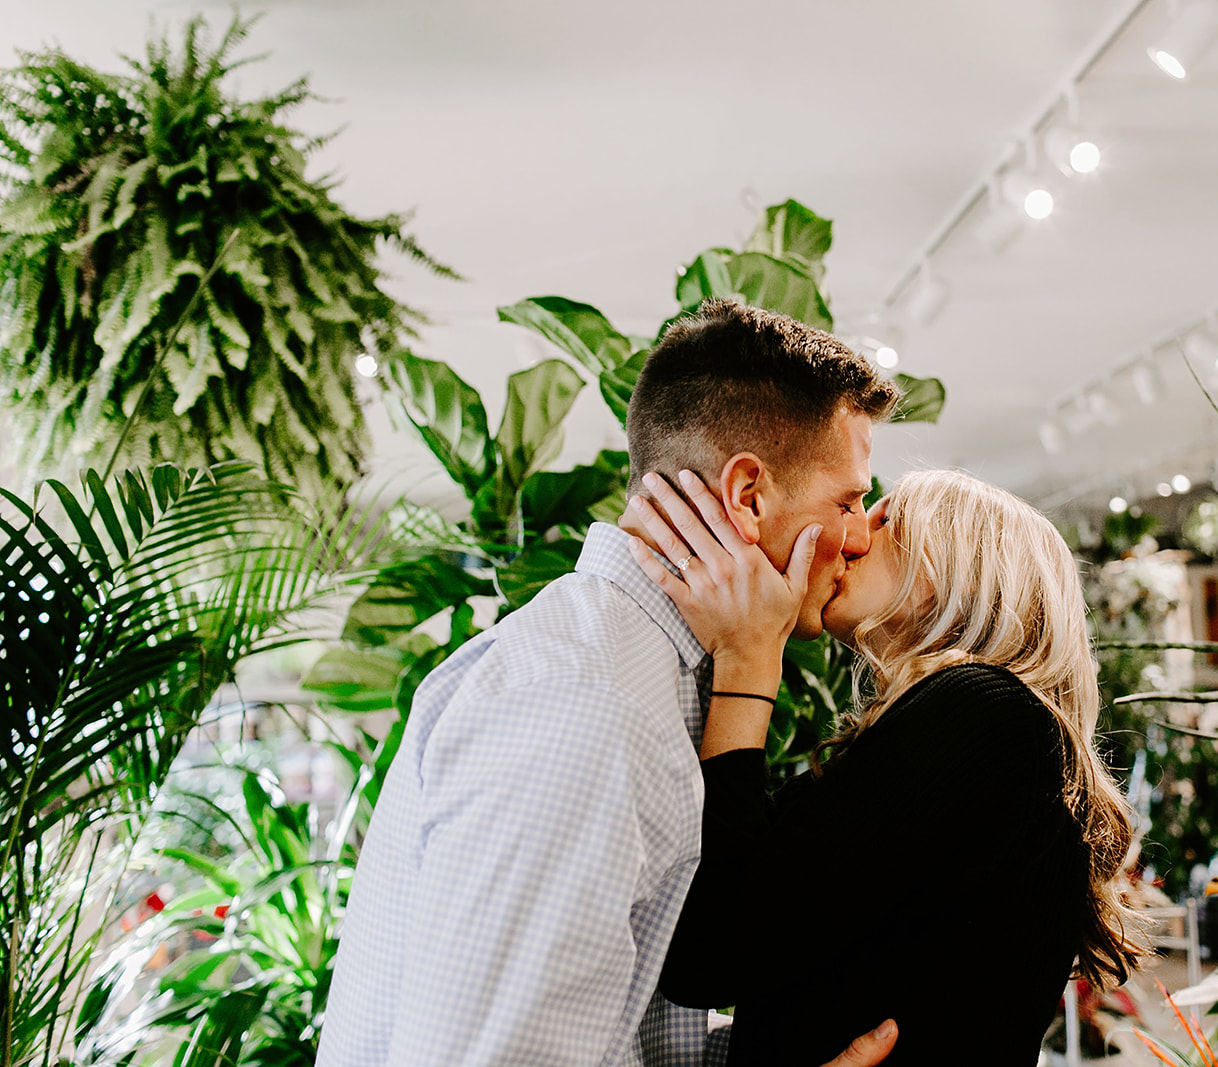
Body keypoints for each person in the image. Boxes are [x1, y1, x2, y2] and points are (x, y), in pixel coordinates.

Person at [317, 300, 904, 1067]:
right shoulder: (589, 705)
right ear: (750, 496)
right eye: (849, 500)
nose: (860, 534)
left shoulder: (627, 673)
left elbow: (608, 1029)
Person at [628, 468, 1147, 1066]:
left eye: (885, 517)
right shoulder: (987, 732)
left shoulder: (986, 712)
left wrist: (749, 657)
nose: (853, 536)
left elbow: (710, 949)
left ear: (955, 564)